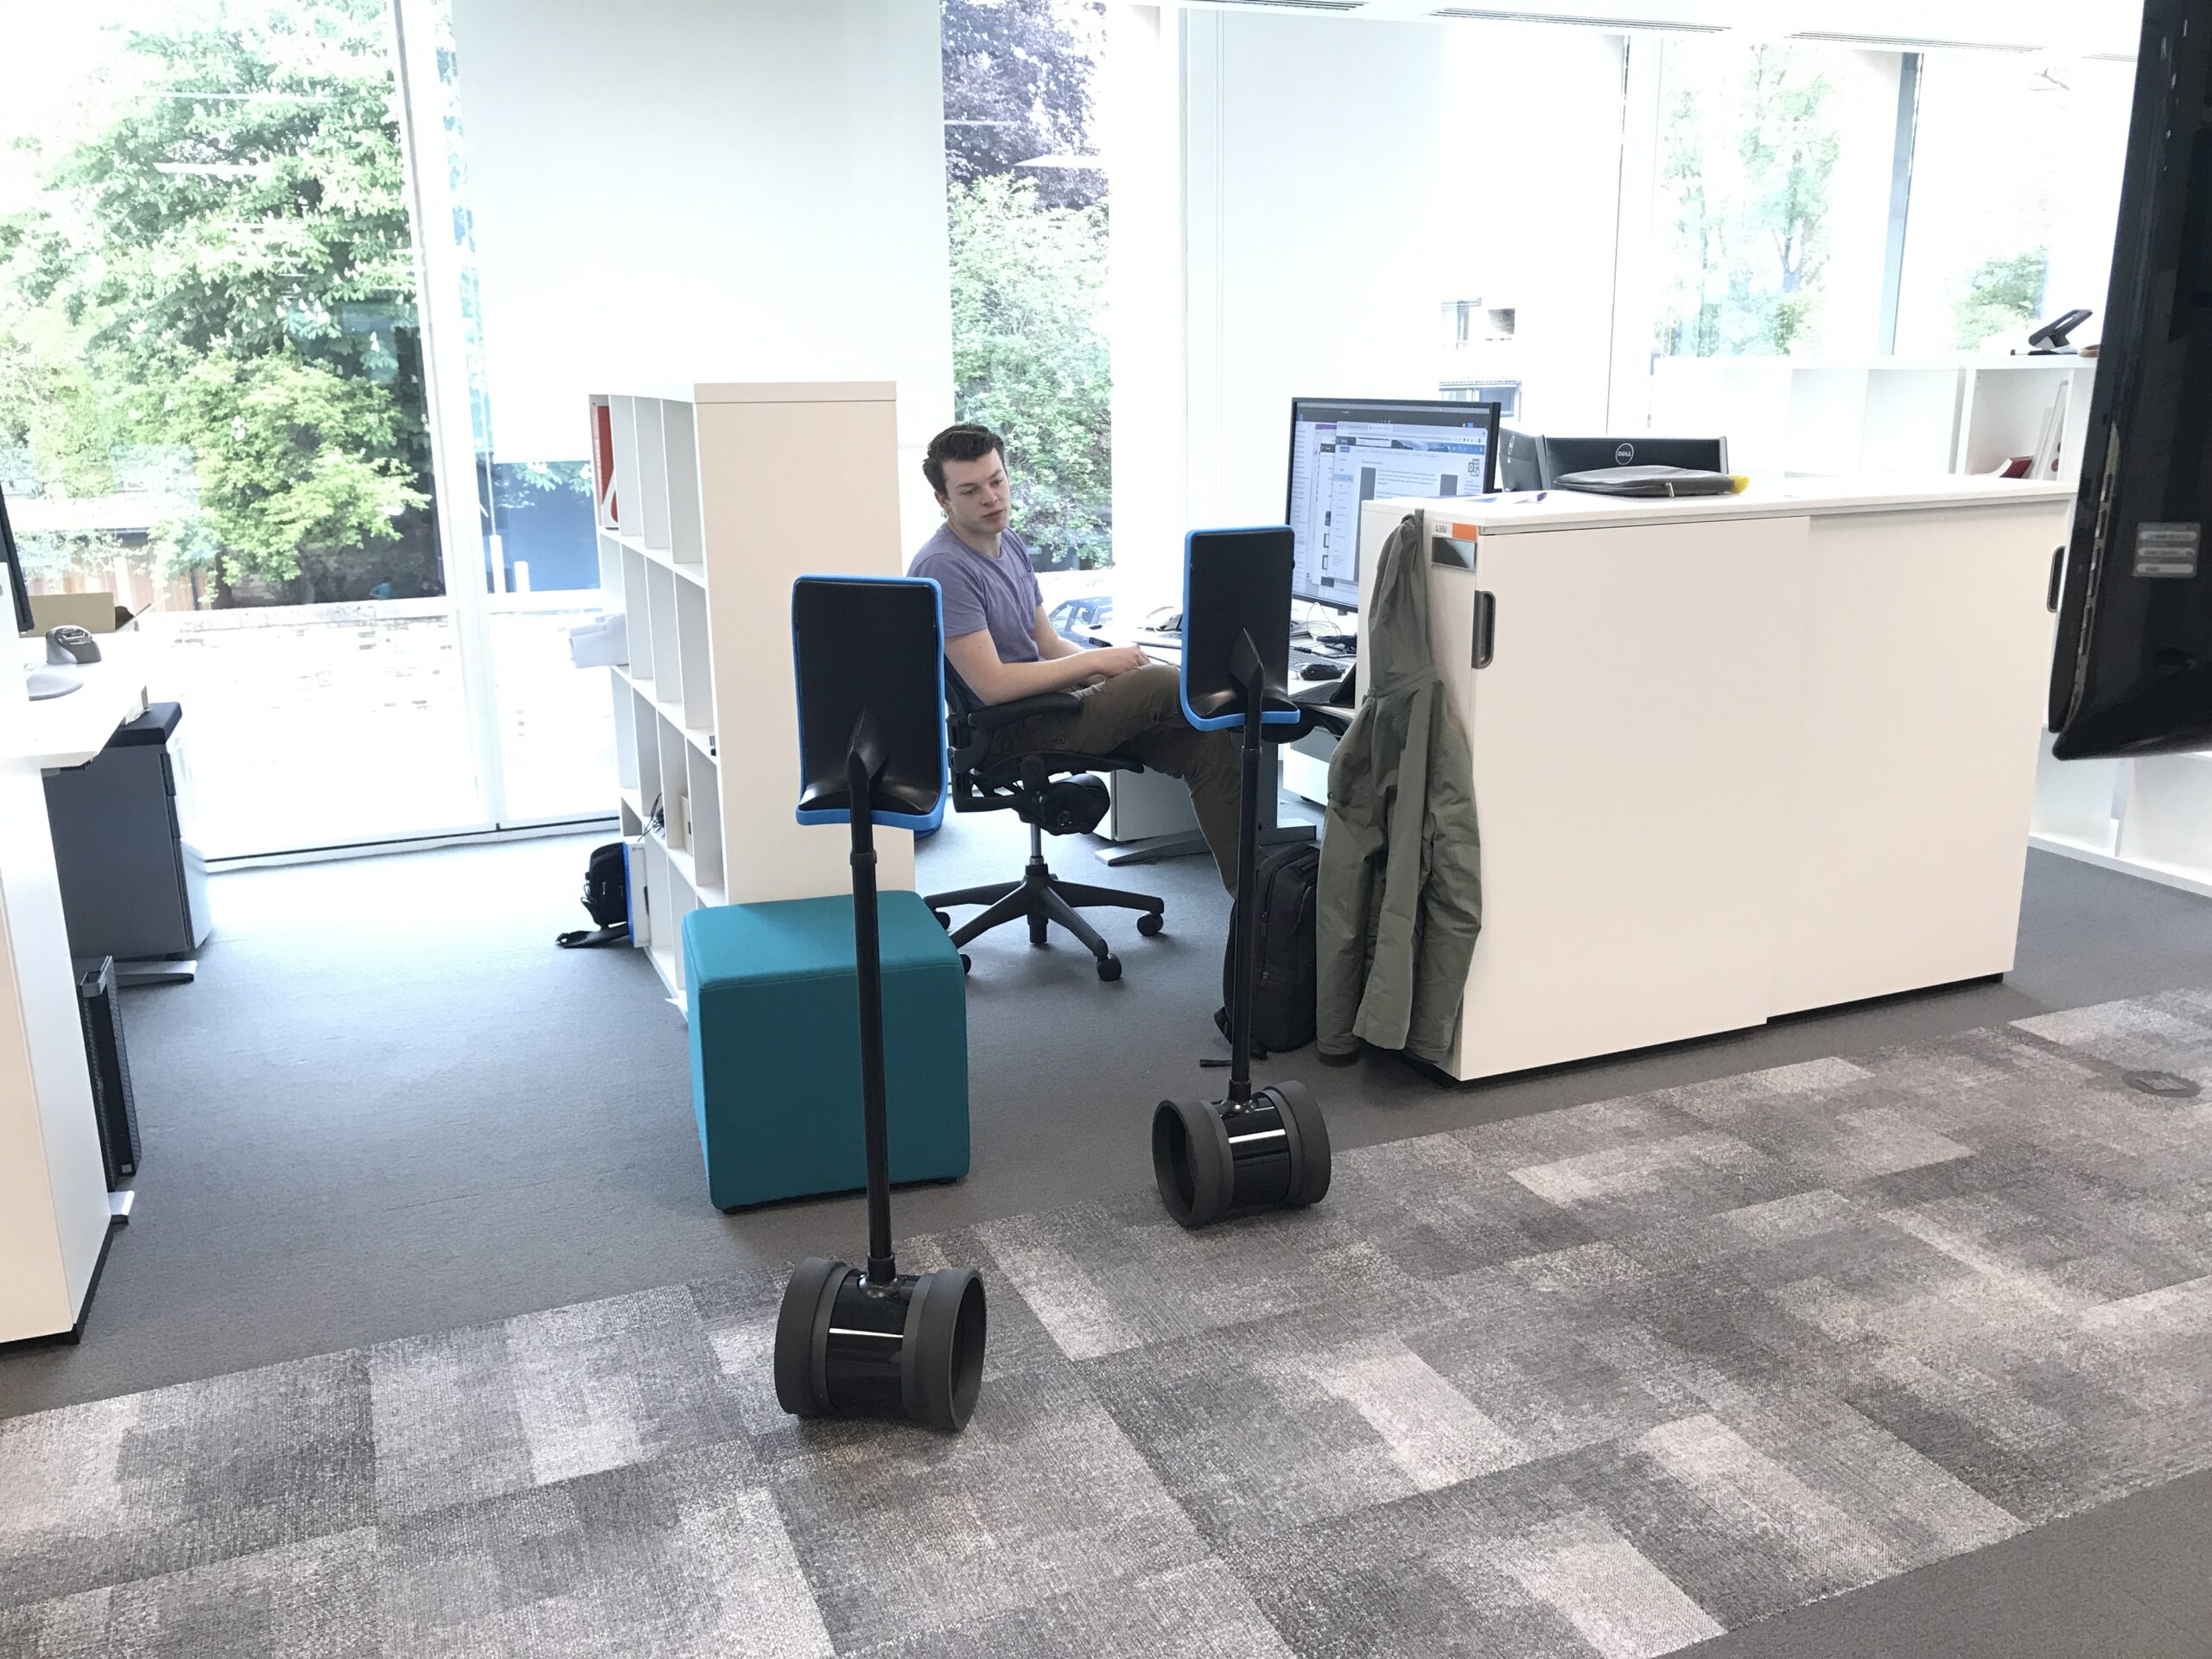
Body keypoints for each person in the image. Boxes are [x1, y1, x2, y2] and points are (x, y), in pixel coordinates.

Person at [908, 423, 1241, 889]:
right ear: (943, 500)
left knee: (1207, 746)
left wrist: (1112, 674)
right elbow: (992, 685)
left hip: (1055, 706)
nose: (991, 498)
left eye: (997, 481)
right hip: (1009, 728)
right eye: (970, 490)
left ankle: (1256, 903)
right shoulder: (944, 566)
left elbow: (1048, 645)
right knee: (1162, 683)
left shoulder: (1008, 541)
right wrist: (1097, 665)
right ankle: (1243, 708)